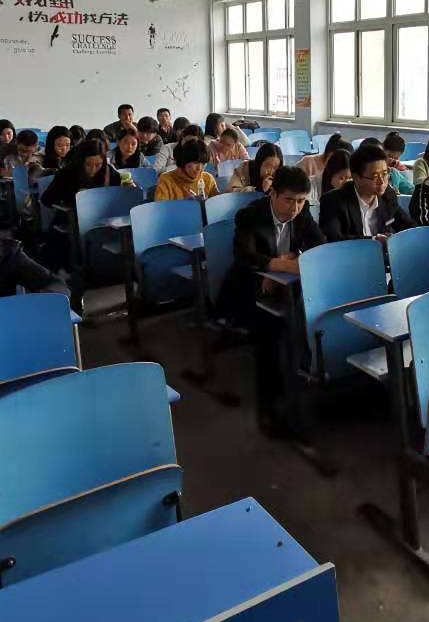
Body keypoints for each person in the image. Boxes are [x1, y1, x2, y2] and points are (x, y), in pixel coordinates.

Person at [219, 166, 324, 431]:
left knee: (307, 315)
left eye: (301, 201)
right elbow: (245, 257)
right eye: (289, 200)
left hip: (287, 286)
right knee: (272, 330)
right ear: (273, 194)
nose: (295, 208)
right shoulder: (250, 215)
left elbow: (319, 245)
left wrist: (287, 261)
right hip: (248, 288)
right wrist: (280, 265)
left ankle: (303, 378)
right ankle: (271, 407)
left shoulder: (302, 212)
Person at [319, 142, 414, 241]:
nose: (381, 182)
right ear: (356, 178)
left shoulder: (388, 195)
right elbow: (334, 238)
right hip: (351, 250)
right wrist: (373, 240)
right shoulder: (333, 201)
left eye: (384, 174)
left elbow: (406, 225)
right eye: (375, 176)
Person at [41, 137, 121, 210]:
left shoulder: (109, 173)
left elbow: (117, 196)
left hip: (104, 216)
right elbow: (46, 199)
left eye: (98, 165)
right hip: (72, 217)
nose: (93, 169)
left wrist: (125, 190)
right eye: (88, 164)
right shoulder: (66, 174)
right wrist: (75, 197)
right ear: (80, 161)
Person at [155, 137, 219, 201]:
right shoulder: (166, 180)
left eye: (204, 163)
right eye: (195, 162)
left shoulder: (208, 179)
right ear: (185, 161)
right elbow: (160, 206)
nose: (200, 168)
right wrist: (185, 204)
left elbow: (218, 204)